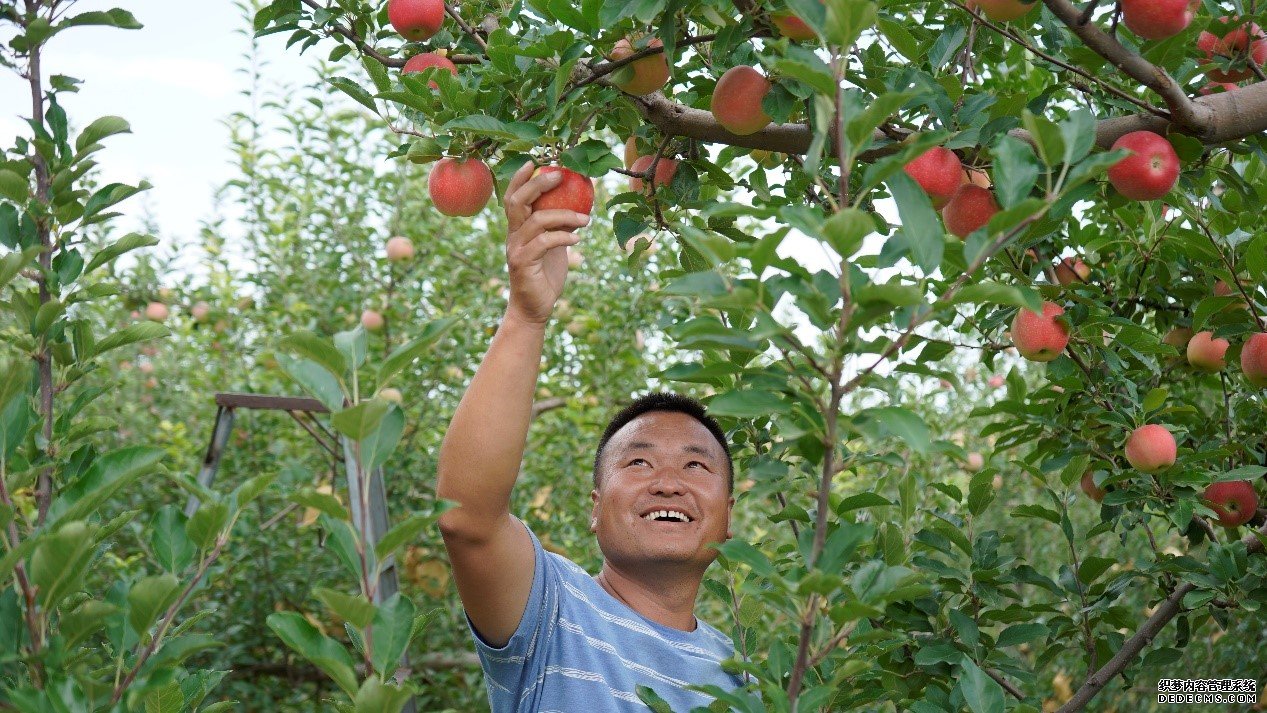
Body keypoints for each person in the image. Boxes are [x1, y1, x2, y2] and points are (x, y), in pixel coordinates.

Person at [436, 162, 746, 711]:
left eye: (697, 466)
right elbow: (468, 519)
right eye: (639, 463)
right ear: (595, 508)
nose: (669, 483)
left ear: (728, 513)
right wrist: (527, 317)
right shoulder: (550, 609)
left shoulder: (744, 682)